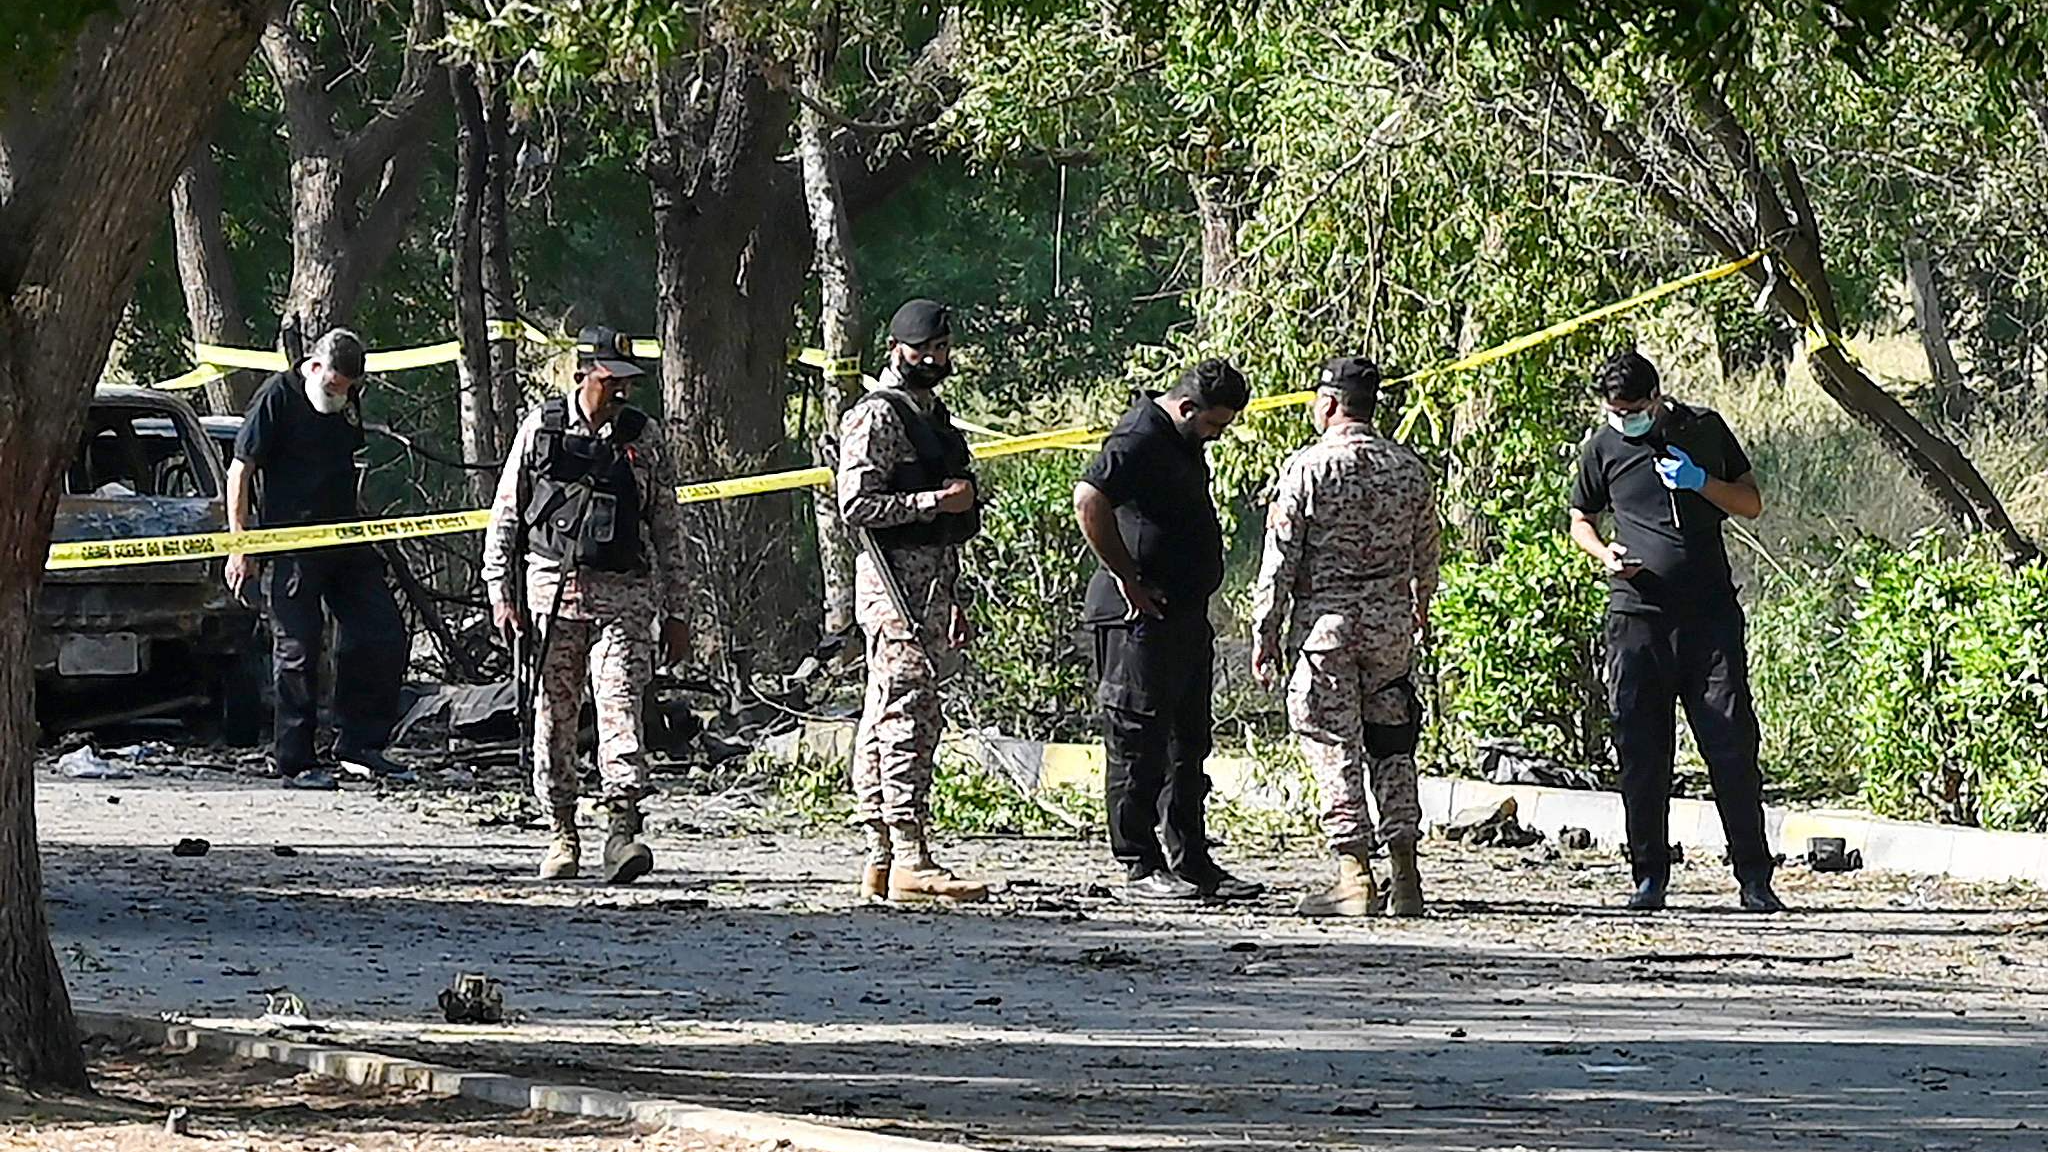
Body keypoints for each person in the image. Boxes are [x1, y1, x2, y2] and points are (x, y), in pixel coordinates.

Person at [1567, 349, 1784, 913]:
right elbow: (1580, 518)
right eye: (1615, 410)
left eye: (1635, 409)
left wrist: (1699, 481)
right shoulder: (1603, 447)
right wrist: (1604, 554)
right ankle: (1649, 875)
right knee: (1642, 748)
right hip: (1638, 616)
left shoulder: (1703, 428)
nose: (1625, 419)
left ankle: (1755, 878)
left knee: (1731, 741)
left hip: (1708, 614)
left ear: (1656, 399)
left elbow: (1751, 502)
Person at [482, 326, 690, 883]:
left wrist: (676, 612)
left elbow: (668, 529)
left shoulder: (643, 439)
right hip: (552, 599)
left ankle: (622, 832)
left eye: (626, 381)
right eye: (608, 380)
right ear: (583, 374)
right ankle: (562, 833)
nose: (620, 391)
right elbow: (505, 518)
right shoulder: (541, 429)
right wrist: (501, 595)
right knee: (555, 719)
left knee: (621, 708)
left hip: (624, 600)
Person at [1250, 357, 1439, 917]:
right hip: (1389, 633)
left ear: (1329, 404)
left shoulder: (1306, 469)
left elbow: (1279, 561)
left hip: (1325, 632)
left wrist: (1266, 633)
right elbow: (1427, 552)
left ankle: (1354, 873)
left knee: (1333, 745)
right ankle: (1406, 874)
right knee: (1393, 744)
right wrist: (1418, 607)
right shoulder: (1409, 470)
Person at [1073, 359, 1264, 904]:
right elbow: (1089, 499)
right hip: (1137, 617)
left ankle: (1192, 859)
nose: (1216, 436)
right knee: (1139, 741)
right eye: (1211, 425)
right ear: (1185, 408)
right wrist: (1127, 579)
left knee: (1189, 741)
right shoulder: (1138, 438)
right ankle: (1139, 863)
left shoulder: (1182, 443)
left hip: (1182, 615)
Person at [834, 298, 989, 903]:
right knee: (904, 715)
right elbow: (857, 506)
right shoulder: (876, 417)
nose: (933, 359)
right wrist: (932, 503)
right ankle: (908, 853)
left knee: (898, 712)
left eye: (942, 348)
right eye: (923, 349)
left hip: (930, 586)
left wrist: (953, 593)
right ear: (897, 349)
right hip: (892, 586)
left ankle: (881, 855)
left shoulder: (930, 414)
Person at [225, 328, 410, 791]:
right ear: (314, 367)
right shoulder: (278, 398)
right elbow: (240, 470)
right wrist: (240, 544)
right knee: (298, 650)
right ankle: (294, 759)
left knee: (381, 631)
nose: (339, 395)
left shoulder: (347, 401)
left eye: (347, 389)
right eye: (333, 386)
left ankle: (359, 744)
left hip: (345, 538)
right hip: (291, 544)